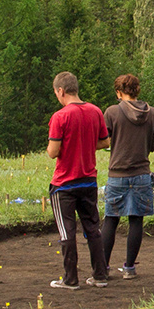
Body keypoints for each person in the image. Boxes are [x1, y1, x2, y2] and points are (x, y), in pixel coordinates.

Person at [46, 71, 110, 290]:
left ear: (61, 91)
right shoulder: (95, 111)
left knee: (67, 231)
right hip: (89, 180)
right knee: (93, 228)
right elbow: (104, 141)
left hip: (64, 183)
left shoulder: (60, 117)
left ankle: (70, 279)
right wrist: (84, 143)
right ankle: (100, 275)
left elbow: (53, 152)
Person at [101, 73, 154, 278]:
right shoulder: (152, 113)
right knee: (136, 220)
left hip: (117, 174)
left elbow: (103, 141)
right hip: (142, 173)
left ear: (119, 92)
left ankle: (103, 268)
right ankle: (129, 269)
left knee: (111, 219)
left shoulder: (111, 112)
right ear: (137, 91)